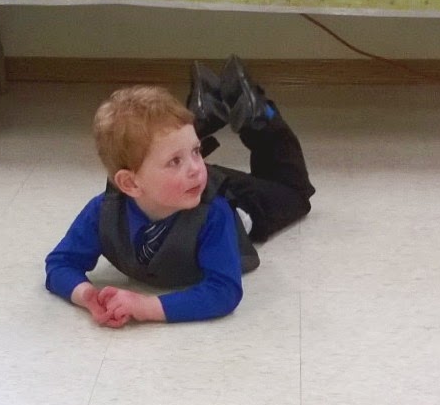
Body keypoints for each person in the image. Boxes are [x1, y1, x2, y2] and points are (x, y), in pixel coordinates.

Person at [45, 55, 315, 328]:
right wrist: (87, 296)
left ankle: (260, 116)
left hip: (238, 199)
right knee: (180, 156)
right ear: (130, 184)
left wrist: (147, 307)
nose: (197, 168)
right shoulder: (104, 212)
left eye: (197, 151)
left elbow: (223, 291)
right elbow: (60, 263)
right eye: (175, 161)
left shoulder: (214, 214)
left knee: (295, 194)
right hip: (181, 190)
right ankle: (203, 114)